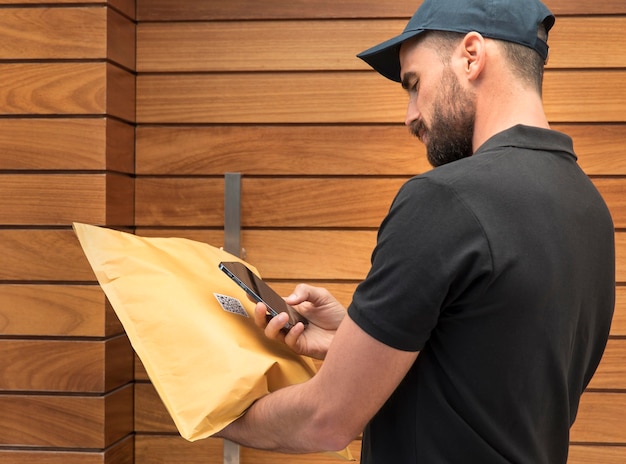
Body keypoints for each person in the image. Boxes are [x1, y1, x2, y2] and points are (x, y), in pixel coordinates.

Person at [216, 0, 616, 461]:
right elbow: (497, 368)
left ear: (471, 56)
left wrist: (213, 416)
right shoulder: (588, 207)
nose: (409, 115)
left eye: (413, 84)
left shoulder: (446, 199)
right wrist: (354, 338)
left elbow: (326, 421)